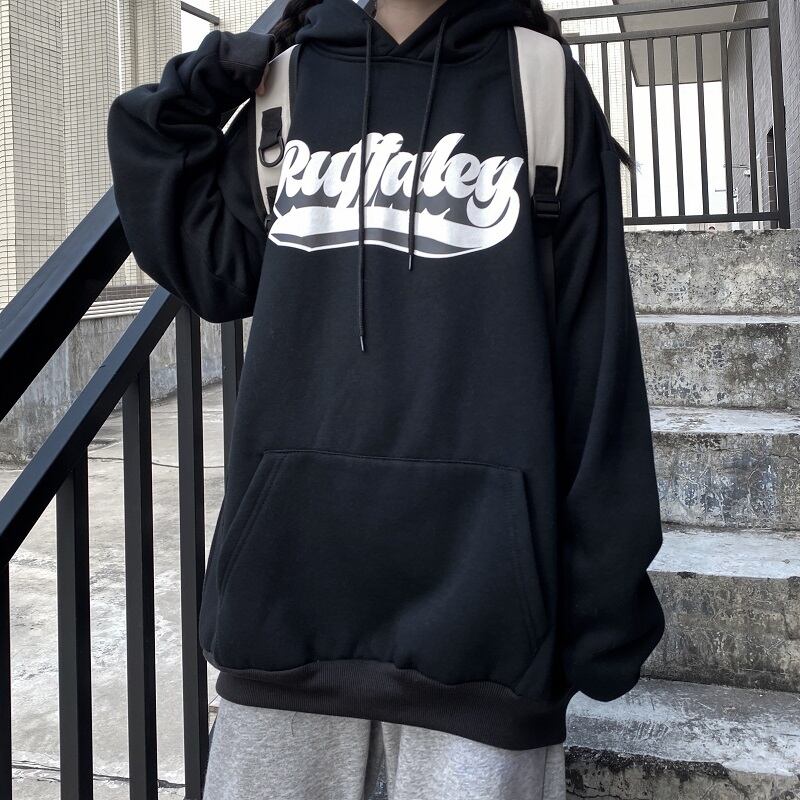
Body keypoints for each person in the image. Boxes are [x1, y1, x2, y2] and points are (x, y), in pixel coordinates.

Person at [106, 0, 665, 797]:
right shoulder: (287, 89)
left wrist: (600, 608)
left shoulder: (540, 84)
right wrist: (213, 75)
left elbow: (599, 366)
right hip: (288, 616)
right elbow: (208, 262)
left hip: (485, 642)